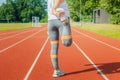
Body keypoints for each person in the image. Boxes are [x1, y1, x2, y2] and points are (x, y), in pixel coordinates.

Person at [47, 0, 72, 77]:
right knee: (67, 43)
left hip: (51, 22)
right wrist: (54, 10)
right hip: (61, 19)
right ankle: (66, 23)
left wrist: (53, 10)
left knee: (54, 47)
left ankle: (57, 70)